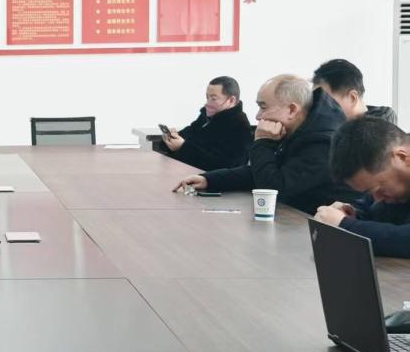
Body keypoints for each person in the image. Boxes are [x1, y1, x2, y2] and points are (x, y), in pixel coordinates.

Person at [174, 74, 359, 214]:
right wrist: (209, 179)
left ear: (292, 110)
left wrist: (263, 142)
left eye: (263, 107)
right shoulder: (302, 128)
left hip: (321, 231)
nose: (258, 116)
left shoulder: (324, 143)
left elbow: (273, 189)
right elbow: (261, 171)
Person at [314, 117, 410, 256]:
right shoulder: (389, 185)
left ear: (402, 157)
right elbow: (370, 207)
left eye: (380, 190)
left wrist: (345, 225)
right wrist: (351, 213)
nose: (377, 199)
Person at [160, 76, 252, 171]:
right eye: (207, 97)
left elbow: (228, 167)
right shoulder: (207, 116)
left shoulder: (240, 127)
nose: (207, 103)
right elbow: (189, 133)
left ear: (231, 100)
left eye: (213, 99)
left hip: (200, 178)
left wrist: (183, 147)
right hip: (180, 170)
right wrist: (171, 138)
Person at [312, 58, 396, 124]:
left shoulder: (382, 138)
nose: (319, 107)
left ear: (352, 98)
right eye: (316, 100)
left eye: (327, 101)